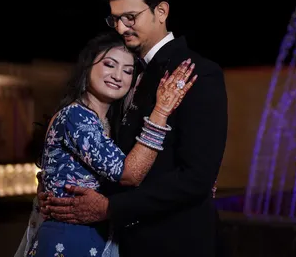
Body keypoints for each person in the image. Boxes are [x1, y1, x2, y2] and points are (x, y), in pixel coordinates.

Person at [42, 0, 229, 257]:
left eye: (130, 17)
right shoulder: (122, 78)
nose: (120, 28)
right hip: (118, 243)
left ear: (161, 11)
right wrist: (55, 185)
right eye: (114, 19)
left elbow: (196, 178)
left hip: (174, 243)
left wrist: (111, 208)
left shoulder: (197, 73)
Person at [21, 31, 196, 256]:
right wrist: (161, 112)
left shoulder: (105, 123)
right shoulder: (76, 117)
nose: (118, 76)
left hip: (92, 239)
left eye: (128, 71)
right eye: (109, 64)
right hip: (69, 242)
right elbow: (129, 173)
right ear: (87, 67)